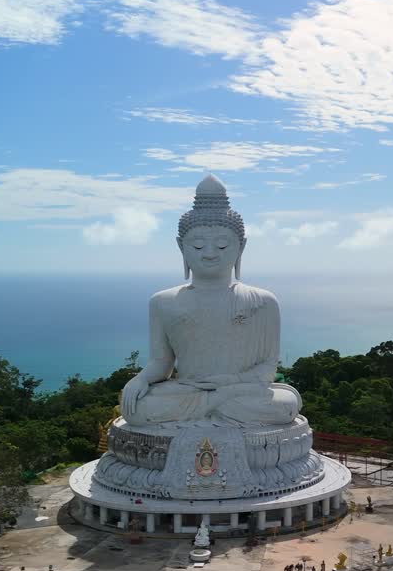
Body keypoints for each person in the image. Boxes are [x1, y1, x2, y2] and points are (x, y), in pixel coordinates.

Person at [120, 176, 301, 427]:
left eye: (222, 245)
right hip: (188, 391)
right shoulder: (163, 302)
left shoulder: (263, 301)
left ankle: (210, 407)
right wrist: (140, 379)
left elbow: (267, 369)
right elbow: (162, 363)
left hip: (238, 391)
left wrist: (228, 384)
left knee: (285, 405)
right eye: (197, 246)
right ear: (180, 247)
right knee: (136, 407)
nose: (209, 253)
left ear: (242, 247)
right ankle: (213, 408)